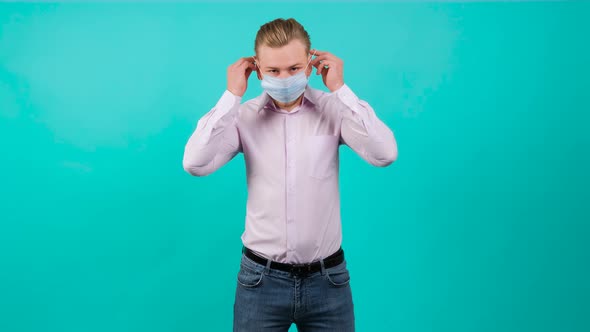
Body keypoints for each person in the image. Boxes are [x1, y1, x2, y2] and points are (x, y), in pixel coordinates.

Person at [183, 17, 397, 332]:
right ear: (255, 69)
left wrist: (341, 90)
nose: (284, 78)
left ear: (311, 65)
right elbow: (195, 163)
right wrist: (231, 96)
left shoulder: (334, 110)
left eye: (294, 68)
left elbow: (384, 154)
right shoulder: (244, 117)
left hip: (328, 280)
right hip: (261, 280)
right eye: (273, 70)